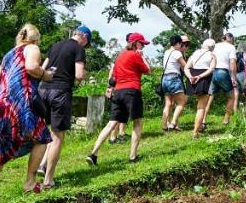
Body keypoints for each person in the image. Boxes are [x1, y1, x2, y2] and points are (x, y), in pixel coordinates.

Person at [0, 24, 52, 203]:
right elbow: (31, 67)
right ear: (36, 39)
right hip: (21, 104)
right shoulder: (32, 48)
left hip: (0, 106)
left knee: (0, 150)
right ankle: (30, 182)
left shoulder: (8, 54)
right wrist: (46, 75)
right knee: (42, 137)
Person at [37, 25, 92, 187]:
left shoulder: (55, 45)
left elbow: (42, 68)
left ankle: (40, 167)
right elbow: (79, 75)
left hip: (43, 90)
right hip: (60, 92)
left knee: (43, 134)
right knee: (57, 136)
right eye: (86, 43)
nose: (85, 46)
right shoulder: (78, 49)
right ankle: (48, 180)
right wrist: (81, 77)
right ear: (84, 37)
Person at [87, 32, 150, 166]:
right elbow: (147, 70)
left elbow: (113, 78)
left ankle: (93, 154)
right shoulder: (135, 55)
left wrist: (110, 89)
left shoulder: (119, 57)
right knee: (137, 122)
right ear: (136, 43)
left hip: (118, 91)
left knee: (111, 123)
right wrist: (142, 57)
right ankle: (133, 156)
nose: (143, 47)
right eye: (142, 44)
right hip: (132, 91)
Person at [185, 38, 217, 138]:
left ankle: (197, 128)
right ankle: (195, 132)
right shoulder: (212, 55)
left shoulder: (194, 53)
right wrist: (200, 76)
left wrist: (190, 76)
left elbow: (186, 67)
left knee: (199, 105)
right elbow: (211, 69)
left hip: (192, 77)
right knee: (201, 107)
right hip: (203, 79)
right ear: (212, 47)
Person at [160, 35, 189, 130]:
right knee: (182, 101)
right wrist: (191, 76)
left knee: (168, 104)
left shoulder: (166, 52)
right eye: (180, 44)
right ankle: (173, 123)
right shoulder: (177, 53)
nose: (181, 46)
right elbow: (185, 66)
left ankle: (164, 125)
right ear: (177, 43)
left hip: (165, 79)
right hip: (174, 79)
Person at [212, 32, 239, 126]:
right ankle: (226, 119)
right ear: (230, 39)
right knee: (232, 97)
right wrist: (233, 77)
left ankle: (202, 120)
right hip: (223, 72)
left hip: (212, 71)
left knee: (208, 97)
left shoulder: (215, 46)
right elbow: (232, 63)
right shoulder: (231, 47)